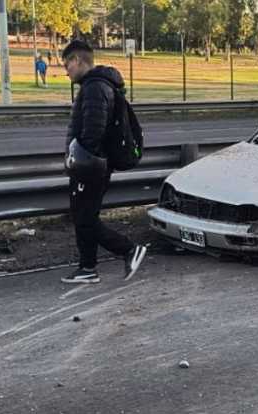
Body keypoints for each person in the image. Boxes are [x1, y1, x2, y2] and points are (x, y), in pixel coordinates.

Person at [60, 39, 147, 284]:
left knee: (84, 219)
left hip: (91, 165)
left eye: (67, 64)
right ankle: (87, 268)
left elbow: (93, 131)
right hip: (95, 164)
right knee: (84, 216)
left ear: (77, 60)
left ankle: (129, 249)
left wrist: (79, 159)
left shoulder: (94, 88)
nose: (66, 70)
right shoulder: (99, 85)